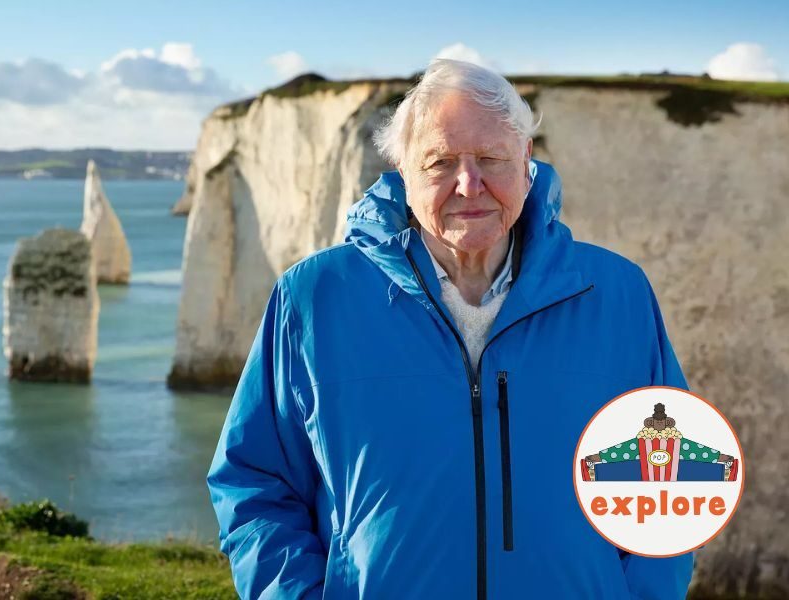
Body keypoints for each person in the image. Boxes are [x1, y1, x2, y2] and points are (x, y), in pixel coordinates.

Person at [207, 58, 694, 599]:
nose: (469, 184)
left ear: (526, 161)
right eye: (440, 162)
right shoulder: (314, 297)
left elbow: (671, 484)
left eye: (491, 159)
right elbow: (254, 481)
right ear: (403, 171)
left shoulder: (617, 294)